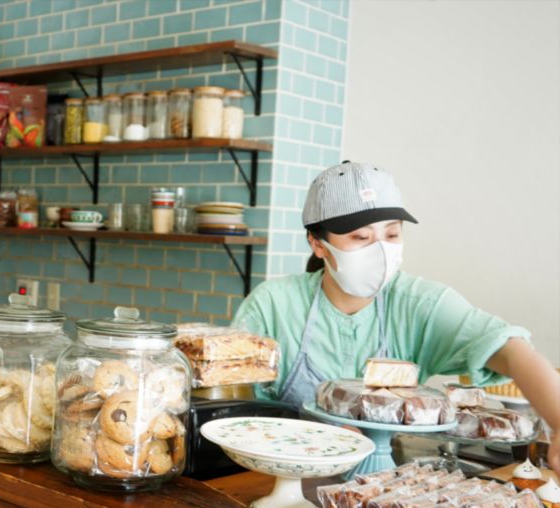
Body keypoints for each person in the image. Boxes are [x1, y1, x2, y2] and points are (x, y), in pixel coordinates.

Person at [232, 161, 560, 471]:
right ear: (317, 243)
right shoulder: (273, 305)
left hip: (382, 481)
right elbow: (234, 407)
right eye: (361, 237)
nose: (380, 250)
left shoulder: (418, 304)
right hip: (277, 477)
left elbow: (511, 350)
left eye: (391, 235)